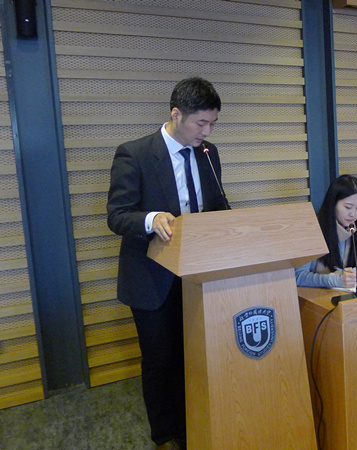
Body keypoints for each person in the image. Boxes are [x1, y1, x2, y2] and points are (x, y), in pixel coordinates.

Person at [106, 77, 228, 450]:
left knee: (192, 355)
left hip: (195, 275)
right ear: (176, 114)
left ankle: (191, 429)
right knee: (160, 360)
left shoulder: (208, 153)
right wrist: (151, 218)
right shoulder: (135, 154)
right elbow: (117, 216)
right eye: (200, 123)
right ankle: (163, 436)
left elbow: (217, 205)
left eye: (212, 124)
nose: (206, 132)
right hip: (151, 279)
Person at [295, 175, 357, 288]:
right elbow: (298, 276)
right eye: (348, 207)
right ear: (333, 203)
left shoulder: (355, 226)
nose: (353, 214)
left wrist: (353, 275)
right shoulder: (311, 230)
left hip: (346, 292)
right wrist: (334, 280)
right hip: (318, 294)